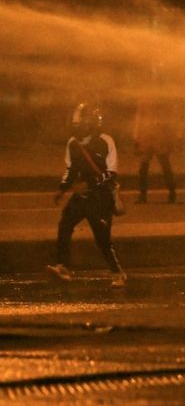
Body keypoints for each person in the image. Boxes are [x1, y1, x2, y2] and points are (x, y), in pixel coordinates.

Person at [46, 103, 127, 288]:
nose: (78, 128)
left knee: (102, 238)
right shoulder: (73, 143)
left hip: (100, 198)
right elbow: (71, 168)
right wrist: (62, 188)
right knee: (65, 225)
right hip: (81, 197)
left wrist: (89, 184)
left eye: (81, 124)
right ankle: (63, 266)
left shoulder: (106, 141)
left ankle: (118, 273)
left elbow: (112, 173)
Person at [133, 96, 178, 204]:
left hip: (152, 137)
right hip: (153, 137)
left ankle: (144, 195)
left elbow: (138, 120)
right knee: (162, 167)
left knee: (152, 167)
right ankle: (171, 193)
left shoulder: (147, 101)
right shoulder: (156, 101)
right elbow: (139, 120)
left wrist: (136, 138)